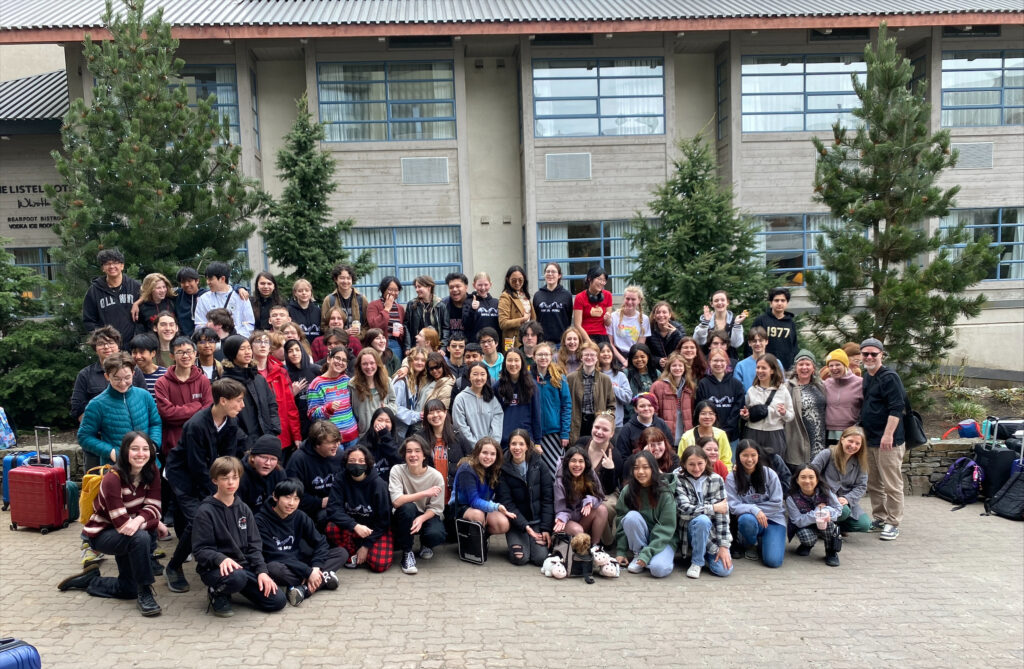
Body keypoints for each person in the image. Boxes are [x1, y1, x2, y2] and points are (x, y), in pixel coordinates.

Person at [59, 432, 167, 616]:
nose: (140, 454)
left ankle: (91, 581)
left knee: (128, 589)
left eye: (145, 449)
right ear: (125, 451)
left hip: (130, 532)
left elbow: (154, 506)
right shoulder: (112, 479)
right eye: (134, 449)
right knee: (142, 537)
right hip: (103, 533)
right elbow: (123, 525)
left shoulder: (152, 471)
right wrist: (154, 522)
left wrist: (144, 519)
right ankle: (145, 592)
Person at [162, 378, 246, 594]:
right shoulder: (196, 425)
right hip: (183, 476)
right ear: (223, 400)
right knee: (198, 520)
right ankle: (173, 566)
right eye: (238, 400)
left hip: (209, 476)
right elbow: (196, 466)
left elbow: (227, 458)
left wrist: (226, 486)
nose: (242, 405)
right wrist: (215, 493)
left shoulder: (231, 422)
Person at [191, 456, 287, 616]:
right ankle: (217, 592)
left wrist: (262, 571)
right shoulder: (205, 511)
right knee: (237, 577)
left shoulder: (244, 509)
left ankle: (236, 586)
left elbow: (254, 545)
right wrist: (220, 558)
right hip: (215, 568)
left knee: (277, 601)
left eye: (235, 478)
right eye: (225, 478)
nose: (231, 483)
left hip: (243, 568)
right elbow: (200, 550)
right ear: (215, 480)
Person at [255, 478, 343, 606]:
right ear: (275, 496)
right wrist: (307, 572)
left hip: (300, 561)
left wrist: (315, 567)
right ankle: (324, 578)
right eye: (287, 497)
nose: (291, 503)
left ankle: (303, 589)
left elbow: (320, 542)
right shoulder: (260, 521)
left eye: (296, 499)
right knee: (273, 568)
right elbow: (272, 554)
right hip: (281, 563)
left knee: (340, 553)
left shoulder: (300, 516)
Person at [78, 353, 162, 470]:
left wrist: (153, 445)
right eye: (116, 378)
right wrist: (110, 451)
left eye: (127, 378)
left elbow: (156, 423)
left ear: (133, 374)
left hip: (148, 464)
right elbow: (84, 436)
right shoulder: (97, 404)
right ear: (107, 376)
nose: (122, 383)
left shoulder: (144, 395)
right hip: (116, 467)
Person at [859, 337, 907, 541]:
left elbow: (897, 407)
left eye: (874, 354)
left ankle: (893, 522)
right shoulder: (867, 376)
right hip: (870, 438)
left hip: (889, 441)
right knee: (874, 482)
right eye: (865, 353)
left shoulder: (890, 377)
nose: (869, 357)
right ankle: (880, 517)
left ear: (882, 355)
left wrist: (888, 434)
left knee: (891, 483)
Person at [325, 445, 395, 572]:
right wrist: (354, 526)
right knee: (331, 527)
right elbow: (333, 509)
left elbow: (384, 520)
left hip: (374, 530)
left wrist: (366, 546)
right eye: (352, 461)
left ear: (367, 463)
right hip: (351, 527)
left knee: (379, 564)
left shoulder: (378, 484)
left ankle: (364, 550)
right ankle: (351, 552)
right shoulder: (340, 480)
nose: (356, 464)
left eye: (361, 461)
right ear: (346, 463)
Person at [674, 445, 733, 579]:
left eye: (700, 463)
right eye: (691, 464)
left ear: (706, 462)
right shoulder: (678, 479)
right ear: (684, 464)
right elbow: (684, 510)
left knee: (724, 570)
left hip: (711, 535)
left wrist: (723, 546)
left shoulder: (716, 479)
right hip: (689, 530)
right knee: (702, 520)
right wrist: (713, 508)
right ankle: (697, 562)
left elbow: (723, 515)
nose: (696, 468)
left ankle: (706, 553)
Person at [389, 435, 446, 575]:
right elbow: (396, 501)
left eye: (417, 451)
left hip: (426, 514)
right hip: (404, 514)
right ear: (404, 454)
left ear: (424, 454)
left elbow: (436, 508)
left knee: (436, 534)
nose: (413, 455)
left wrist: (421, 519)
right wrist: (425, 493)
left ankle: (426, 543)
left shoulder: (436, 476)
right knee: (408, 507)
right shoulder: (397, 470)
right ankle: (407, 552)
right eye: (409, 451)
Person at [614, 451, 676, 578]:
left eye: (645, 467)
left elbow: (666, 528)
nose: (640, 472)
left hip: (663, 540)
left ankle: (652, 557)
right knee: (631, 517)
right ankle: (639, 554)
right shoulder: (628, 491)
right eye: (636, 468)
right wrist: (621, 551)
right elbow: (621, 522)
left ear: (653, 468)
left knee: (658, 569)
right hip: (640, 539)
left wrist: (647, 553)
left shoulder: (665, 493)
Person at [496, 430, 554, 566]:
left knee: (540, 559)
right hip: (517, 522)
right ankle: (523, 540)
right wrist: (525, 526)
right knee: (519, 558)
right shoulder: (502, 469)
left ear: (528, 446)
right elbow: (507, 503)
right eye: (513, 444)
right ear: (509, 445)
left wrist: (546, 528)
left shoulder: (540, 464)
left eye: (521, 444)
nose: (517, 448)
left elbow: (548, 499)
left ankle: (532, 543)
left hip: (537, 521)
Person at [725, 441, 786, 568]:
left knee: (773, 562)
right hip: (751, 519)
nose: (749, 459)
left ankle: (764, 540)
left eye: (753, 455)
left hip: (774, 519)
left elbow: (777, 503)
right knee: (746, 519)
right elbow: (733, 505)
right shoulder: (732, 478)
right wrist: (754, 510)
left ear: (758, 455)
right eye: (745, 455)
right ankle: (751, 543)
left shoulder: (769, 473)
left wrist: (755, 510)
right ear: (738, 456)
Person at [71, 326, 147, 422]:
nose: (106, 347)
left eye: (111, 342)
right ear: (95, 348)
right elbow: (77, 408)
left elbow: (144, 400)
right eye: (101, 344)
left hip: (132, 425)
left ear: (118, 346)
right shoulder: (85, 375)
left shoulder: (133, 370)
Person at [154, 336, 212, 460]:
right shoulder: (162, 383)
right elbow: (167, 413)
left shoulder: (203, 380)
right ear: (172, 356)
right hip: (173, 446)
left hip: (200, 442)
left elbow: (208, 411)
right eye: (180, 352)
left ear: (195, 354)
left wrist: (180, 412)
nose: (185, 356)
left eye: (189, 352)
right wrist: (197, 406)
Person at [220, 335, 281, 451]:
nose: (247, 352)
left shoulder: (259, 379)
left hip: (266, 438)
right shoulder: (226, 383)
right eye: (242, 349)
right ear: (232, 352)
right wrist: (245, 442)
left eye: (249, 348)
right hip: (242, 446)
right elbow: (227, 418)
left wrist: (274, 430)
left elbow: (272, 405)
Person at [452, 437, 516, 538]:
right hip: (462, 507)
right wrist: (497, 507)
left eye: (492, 454)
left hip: (483, 505)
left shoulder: (494, 469)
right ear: (477, 453)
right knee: (478, 515)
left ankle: (480, 537)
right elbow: (473, 501)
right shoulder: (467, 468)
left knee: (503, 524)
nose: (488, 457)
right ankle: (470, 541)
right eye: (485, 453)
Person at [812, 426, 872, 533]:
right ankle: (819, 526)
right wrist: (820, 497)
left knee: (864, 525)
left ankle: (832, 527)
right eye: (850, 441)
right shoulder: (827, 454)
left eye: (857, 443)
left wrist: (847, 498)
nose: (853, 446)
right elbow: (811, 474)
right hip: (824, 498)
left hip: (845, 501)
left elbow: (861, 486)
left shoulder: (860, 462)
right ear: (842, 439)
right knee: (843, 512)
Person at [285, 420, 345, 526]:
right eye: (331, 442)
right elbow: (291, 494)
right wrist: (320, 502)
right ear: (317, 444)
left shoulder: (340, 455)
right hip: (309, 511)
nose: (337, 445)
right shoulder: (298, 460)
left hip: (336, 503)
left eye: (338, 441)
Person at [251, 331, 302, 455]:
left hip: (281, 435)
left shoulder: (280, 372)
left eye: (266, 342)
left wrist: (296, 435)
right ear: (250, 346)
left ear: (270, 348)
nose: (263, 345)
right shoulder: (247, 373)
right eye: (258, 341)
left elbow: (290, 406)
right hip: (257, 435)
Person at [785, 463, 843, 567]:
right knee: (806, 537)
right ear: (797, 480)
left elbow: (838, 509)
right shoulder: (791, 497)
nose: (807, 481)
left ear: (817, 479)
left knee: (829, 524)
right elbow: (797, 521)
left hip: (825, 523)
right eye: (803, 477)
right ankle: (807, 545)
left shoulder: (826, 490)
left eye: (811, 477)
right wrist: (817, 512)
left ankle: (831, 552)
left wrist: (826, 511)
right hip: (804, 526)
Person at [739, 353, 794, 461]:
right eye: (758, 367)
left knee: (774, 465)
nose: (760, 371)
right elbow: (748, 413)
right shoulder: (752, 390)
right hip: (753, 432)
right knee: (751, 464)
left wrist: (784, 413)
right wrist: (745, 415)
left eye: (764, 368)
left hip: (774, 434)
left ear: (772, 370)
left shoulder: (782, 390)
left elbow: (790, 416)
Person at [553, 446, 610, 546]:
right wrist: (561, 518)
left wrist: (589, 501)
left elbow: (599, 496)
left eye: (581, 461)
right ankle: (579, 549)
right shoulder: (560, 480)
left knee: (602, 509)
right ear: (567, 462)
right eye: (573, 461)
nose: (577, 465)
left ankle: (595, 546)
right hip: (567, 520)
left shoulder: (590, 473)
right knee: (578, 530)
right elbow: (561, 509)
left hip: (583, 517)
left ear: (585, 463)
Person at [304, 345, 359, 447]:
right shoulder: (317, 384)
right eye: (337, 358)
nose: (340, 362)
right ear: (329, 359)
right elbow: (312, 414)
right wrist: (327, 409)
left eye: (344, 360)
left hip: (352, 435)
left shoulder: (346, 380)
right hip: (332, 439)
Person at [83, 248, 141, 345]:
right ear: (103, 268)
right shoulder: (94, 291)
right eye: (107, 264)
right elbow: (89, 320)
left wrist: (138, 337)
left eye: (115, 263)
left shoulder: (135, 287)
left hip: (134, 345)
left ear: (122, 266)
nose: (112, 266)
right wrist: (103, 338)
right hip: (108, 346)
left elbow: (145, 314)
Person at [580, 412, 622, 548]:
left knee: (601, 507)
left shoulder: (615, 455)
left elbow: (609, 489)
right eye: (597, 427)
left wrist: (609, 470)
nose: (599, 432)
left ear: (612, 434)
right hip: (580, 489)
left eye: (605, 429)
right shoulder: (582, 443)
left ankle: (605, 542)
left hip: (605, 494)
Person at [531, 342, 571, 478]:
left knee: (557, 472)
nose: (543, 357)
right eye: (540, 354)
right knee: (537, 473)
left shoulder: (559, 378)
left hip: (554, 434)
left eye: (546, 354)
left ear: (551, 356)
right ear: (534, 357)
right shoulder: (528, 378)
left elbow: (566, 406)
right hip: (534, 434)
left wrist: (565, 433)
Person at [785, 350, 828, 466]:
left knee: (817, 470)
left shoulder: (820, 386)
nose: (804, 367)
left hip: (819, 439)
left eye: (808, 364)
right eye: (801, 364)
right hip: (797, 438)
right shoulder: (787, 387)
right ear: (796, 368)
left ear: (813, 368)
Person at [567, 341, 615, 443]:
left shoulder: (605, 379)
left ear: (597, 358)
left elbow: (611, 405)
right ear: (581, 357)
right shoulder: (570, 378)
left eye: (592, 355)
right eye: (586, 355)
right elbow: (565, 405)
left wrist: (606, 419)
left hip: (597, 423)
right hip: (576, 423)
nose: (589, 357)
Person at [696, 349, 746, 443]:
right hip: (709, 435)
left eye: (722, 360)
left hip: (731, 436)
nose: (718, 364)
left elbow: (737, 410)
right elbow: (701, 409)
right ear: (709, 362)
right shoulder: (703, 384)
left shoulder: (736, 384)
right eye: (715, 360)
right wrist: (714, 430)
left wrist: (726, 430)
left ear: (727, 363)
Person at [195, 261, 255, 338]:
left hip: (237, 341)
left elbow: (249, 323)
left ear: (222, 278)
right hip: (213, 342)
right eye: (207, 279)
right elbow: (200, 324)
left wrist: (235, 339)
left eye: (210, 279)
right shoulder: (204, 299)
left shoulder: (240, 296)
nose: (208, 282)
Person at [496, 347, 542, 445]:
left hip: (526, 439)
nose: (513, 364)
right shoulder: (497, 386)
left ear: (522, 362)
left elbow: (536, 415)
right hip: (504, 439)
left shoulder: (531, 385)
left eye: (516, 360)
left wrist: (537, 441)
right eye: (509, 360)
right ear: (504, 363)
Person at [350, 348, 398, 436]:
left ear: (377, 363)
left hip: (382, 432)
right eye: (365, 364)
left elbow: (394, 403)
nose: (369, 367)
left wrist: (387, 408)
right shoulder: (352, 385)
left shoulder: (386, 381)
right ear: (359, 365)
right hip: (362, 434)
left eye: (372, 363)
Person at [452, 361, 503, 444]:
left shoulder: (492, 399)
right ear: (469, 377)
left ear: (487, 376)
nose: (479, 378)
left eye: (482, 374)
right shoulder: (461, 399)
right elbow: (460, 427)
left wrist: (491, 446)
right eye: (475, 374)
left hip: (490, 449)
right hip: (468, 449)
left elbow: (497, 427)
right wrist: (476, 447)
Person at [614, 393, 672, 466]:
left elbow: (670, 448)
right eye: (642, 406)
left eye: (650, 405)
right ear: (635, 409)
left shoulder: (662, 424)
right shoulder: (627, 429)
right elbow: (623, 457)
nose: (646, 408)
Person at [751, 287, 798, 371]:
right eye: (776, 300)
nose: (779, 303)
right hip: (764, 368)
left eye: (783, 300)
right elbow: (751, 343)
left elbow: (794, 347)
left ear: (787, 303)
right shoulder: (761, 320)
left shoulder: (791, 323)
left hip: (786, 369)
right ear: (770, 303)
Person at [650, 352, 694, 442]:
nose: (677, 368)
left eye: (680, 366)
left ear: (684, 368)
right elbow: (653, 412)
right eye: (674, 365)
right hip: (665, 435)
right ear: (669, 368)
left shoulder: (689, 386)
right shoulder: (657, 386)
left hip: (685, 435)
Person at [823, 348, 863, 444]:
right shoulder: (826, 384)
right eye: (831, 365)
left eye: (838, 364)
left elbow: (866, 408)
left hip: (851, 432)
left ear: (845, 365)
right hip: (829, 432)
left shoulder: (860, 383)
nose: (834, 368)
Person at [678, 400, 734, 469]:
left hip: (717, 473)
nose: (707, 417)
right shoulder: (687, 437)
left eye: (711, 413)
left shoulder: (721, 435)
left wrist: (723, 474)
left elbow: (726, 461)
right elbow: (681, 460)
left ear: (715, 416)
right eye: (703, 413)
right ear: (697, 415)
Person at [283, 338, 321, 438]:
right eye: (290, 351)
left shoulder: (316, 369)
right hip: (299, 421)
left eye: (297, 350)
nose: (294, 354)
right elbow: (282, 403)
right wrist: (292, 393)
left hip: (317, 417)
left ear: (302, 351)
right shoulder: (285, 374)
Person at [693, 290, 746, 360]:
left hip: (729, 360)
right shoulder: (705, 321)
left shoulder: (735, 322)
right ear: (712, 304)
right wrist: (705, 322)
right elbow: (698, 341)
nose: (719, 302)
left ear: (727, 302)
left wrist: (737, 324)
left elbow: (736, 344)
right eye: (716, 300)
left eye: (722, 300)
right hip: (708, 360)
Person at [238, 436, 286, 512]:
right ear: (253, 457)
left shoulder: (279, 473)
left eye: (273, 459)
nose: (268, 463)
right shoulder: (239, 476)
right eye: (264, 457)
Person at [321, 264, 368, 341]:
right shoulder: (329, 300)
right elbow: (323, 326)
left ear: (352, 280)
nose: (345, 281)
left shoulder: (361, 299)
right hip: (336, 342)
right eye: (342, 278)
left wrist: (358, 336)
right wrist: (343, 333)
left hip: (358, 342)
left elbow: (367, 325)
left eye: (348, 278)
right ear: (336, 279)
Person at [403, 275, 448, 353]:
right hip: (416, 347)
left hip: (435, 348)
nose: (417, 290)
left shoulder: (440, 305)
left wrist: (443, 348)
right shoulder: (412, 305)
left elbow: (446, 328)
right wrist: (407, 347)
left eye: (419, 287)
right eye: (416, 287)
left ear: (429, 287)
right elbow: (406, 327)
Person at [607, 285, 650, 366]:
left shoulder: (644, 319)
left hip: (634, 356)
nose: (630, 302)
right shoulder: (613, 317)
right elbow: (610, 343)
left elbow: (640, 346)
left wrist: (630, 361)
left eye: (633, 299)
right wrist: (623, 361)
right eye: (627, 299)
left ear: (639, 300)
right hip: (616, 355)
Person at [533, 262, 573, 345]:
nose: (550, 274)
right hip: (542, 342)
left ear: (559, 275)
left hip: (561, 343)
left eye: (553, 272)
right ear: (544, 274)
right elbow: (535, 318)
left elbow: (568, 319)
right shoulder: (538, 295)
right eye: (547, 271)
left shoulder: (567, 295)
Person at [366, 276, 406, 360]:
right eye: (390, 289)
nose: (393, 293)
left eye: (396, 290)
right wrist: (387, 309)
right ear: (383, 289)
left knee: (395, 367)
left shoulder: (400, 308)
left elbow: (404, 328)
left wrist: (402, 331)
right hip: (379, 343)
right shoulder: (373, 305)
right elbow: (374, 325)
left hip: (395, 343)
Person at [392, 347, 428, 438]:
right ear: (410, 361)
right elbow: (394, 407)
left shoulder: (418, 380)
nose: (419, 362)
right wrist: (418, 415)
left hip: (405, 430)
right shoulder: (401, 380)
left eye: (423, 360)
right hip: (395, 430)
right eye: (416, 359)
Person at [357, 407, 401, 481]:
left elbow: (399, 459)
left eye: (387, 421)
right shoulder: (363, 443)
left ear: (392, 424)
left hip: (393, 482)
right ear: (373, 422)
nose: (383, 424)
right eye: (380, 420)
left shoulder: (399, 441)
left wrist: (386, 437)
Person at [572, 266, 613, 345]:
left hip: (602, 336)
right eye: (599, 279)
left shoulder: (608, 295)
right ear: (589, 279)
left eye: (604, 280)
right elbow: (577, 325)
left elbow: (608, 323)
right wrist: (589, 342)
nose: (602, 283)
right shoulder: (579, 297)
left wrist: (608, 319)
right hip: (585, 336)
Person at [597, 342, 632, 428]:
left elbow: (628, 398)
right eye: (602, 351)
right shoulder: (594, 375)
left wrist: (612, 387)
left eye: (608, 351)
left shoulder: (620, 375)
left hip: (616, 424)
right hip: (597, 423)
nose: (606, 354)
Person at [497, 265, 532, 351]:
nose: (517, 283)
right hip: (513, 340)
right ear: (507, 279)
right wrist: (522, 320)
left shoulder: (524, 294)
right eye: (513, 280)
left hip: (528, 338)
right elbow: (503, 323)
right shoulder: (505, 296)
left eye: (520, 280)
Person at [646, 301, 684, 372]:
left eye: (664, 312)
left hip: (676, 366)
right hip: (657, 369)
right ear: (654, 316)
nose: (661, 315)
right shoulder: (649, 330)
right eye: (658, 312)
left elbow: (684, 346)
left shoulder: (678, 328)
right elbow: (646, 352)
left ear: (669, 315)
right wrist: (658, 360)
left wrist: (676, 333)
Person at [135, 273, 176, 339]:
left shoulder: (172, 301)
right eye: (158, 288)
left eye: (164, 287)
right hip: (151, 341)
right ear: (150, 289)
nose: (162, 290)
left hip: (171, 340)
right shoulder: (142, 307)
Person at [734, 326, 773, 391]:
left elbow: (780, 385)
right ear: (749, 343)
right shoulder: (741, 366)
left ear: (766, 341)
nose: (757, 344)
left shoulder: (775, 363)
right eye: (754, 341)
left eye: (760, 340)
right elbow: (737, 390)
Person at [467, 272, 500, 342]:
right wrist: (472, 310)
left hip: (493, 344)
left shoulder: (496, 302)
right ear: (474, 285)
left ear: (490, 284)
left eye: (486, 285)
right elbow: (466, 324)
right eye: (479, 285)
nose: (483, 288)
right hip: (476, 344)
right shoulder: (469, 301)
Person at [173, 267, 206, 336]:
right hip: (181, 337)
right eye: (183, 282)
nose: (186, 284)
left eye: (189, 281)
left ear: (197, 281)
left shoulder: (206, 295)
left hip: (202, 336)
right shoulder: (176, 295)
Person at [286, 279, 321, 344]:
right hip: (296, 346)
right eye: (300, 291)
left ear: (311, 292)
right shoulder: (289, 310)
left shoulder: (318, 311)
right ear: (295, 293)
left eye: (307, 290)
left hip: (315, 347)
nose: (304, 293)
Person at [442, 272, 472, 343]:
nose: (454, 290)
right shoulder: (443, 305)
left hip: (470, 347)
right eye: (451, 287)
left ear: (466, 287)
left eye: (458, 286)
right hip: (449, 347)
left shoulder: (474, 303)